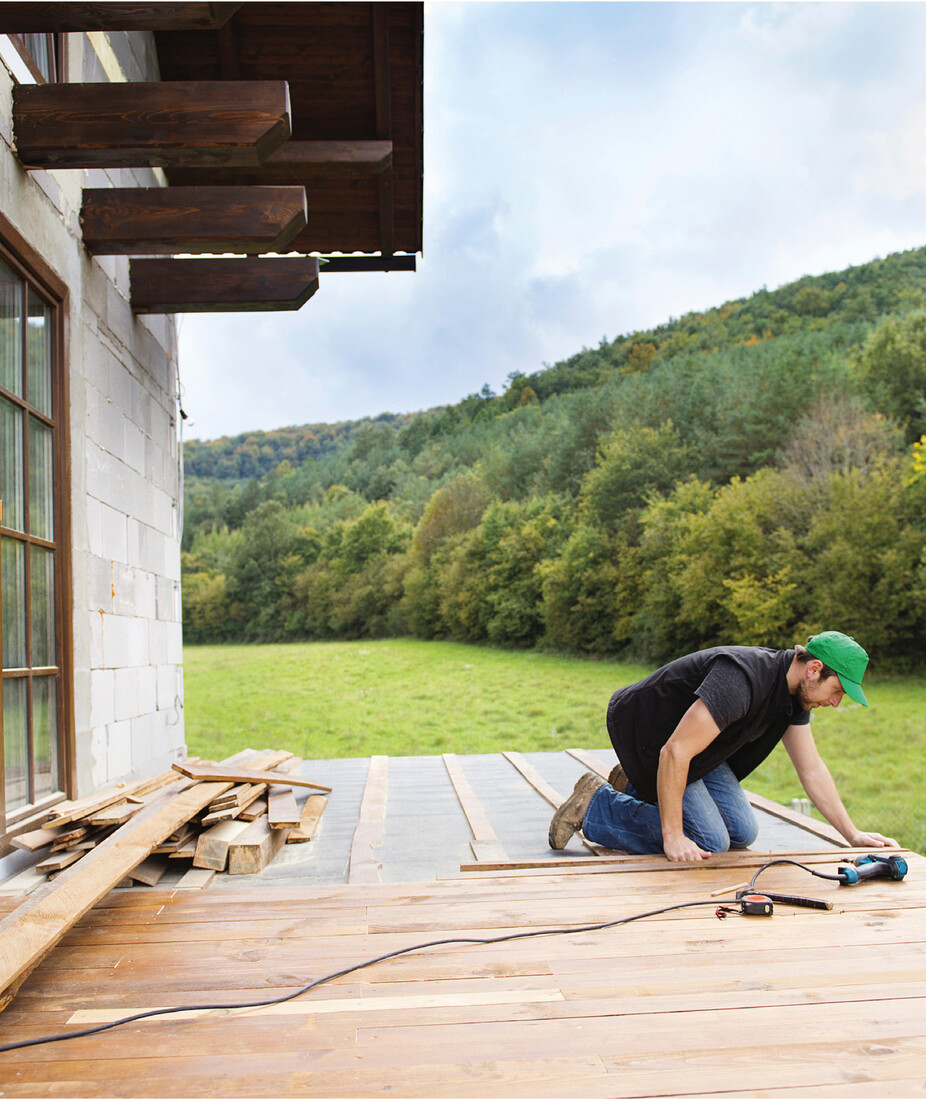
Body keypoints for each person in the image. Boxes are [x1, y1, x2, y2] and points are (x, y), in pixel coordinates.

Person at [549, 631, 899, 861]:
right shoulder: (743, 680)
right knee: (710, 840)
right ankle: (597, 805)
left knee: (743, 832)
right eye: (837, 691)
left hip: (698, 747)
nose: (836, 703)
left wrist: (852, 834)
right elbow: (675, 751)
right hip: (651, 733)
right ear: (814, 669)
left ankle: (640, 787)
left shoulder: (794, 699)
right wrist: (672, 836)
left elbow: (811, 768)